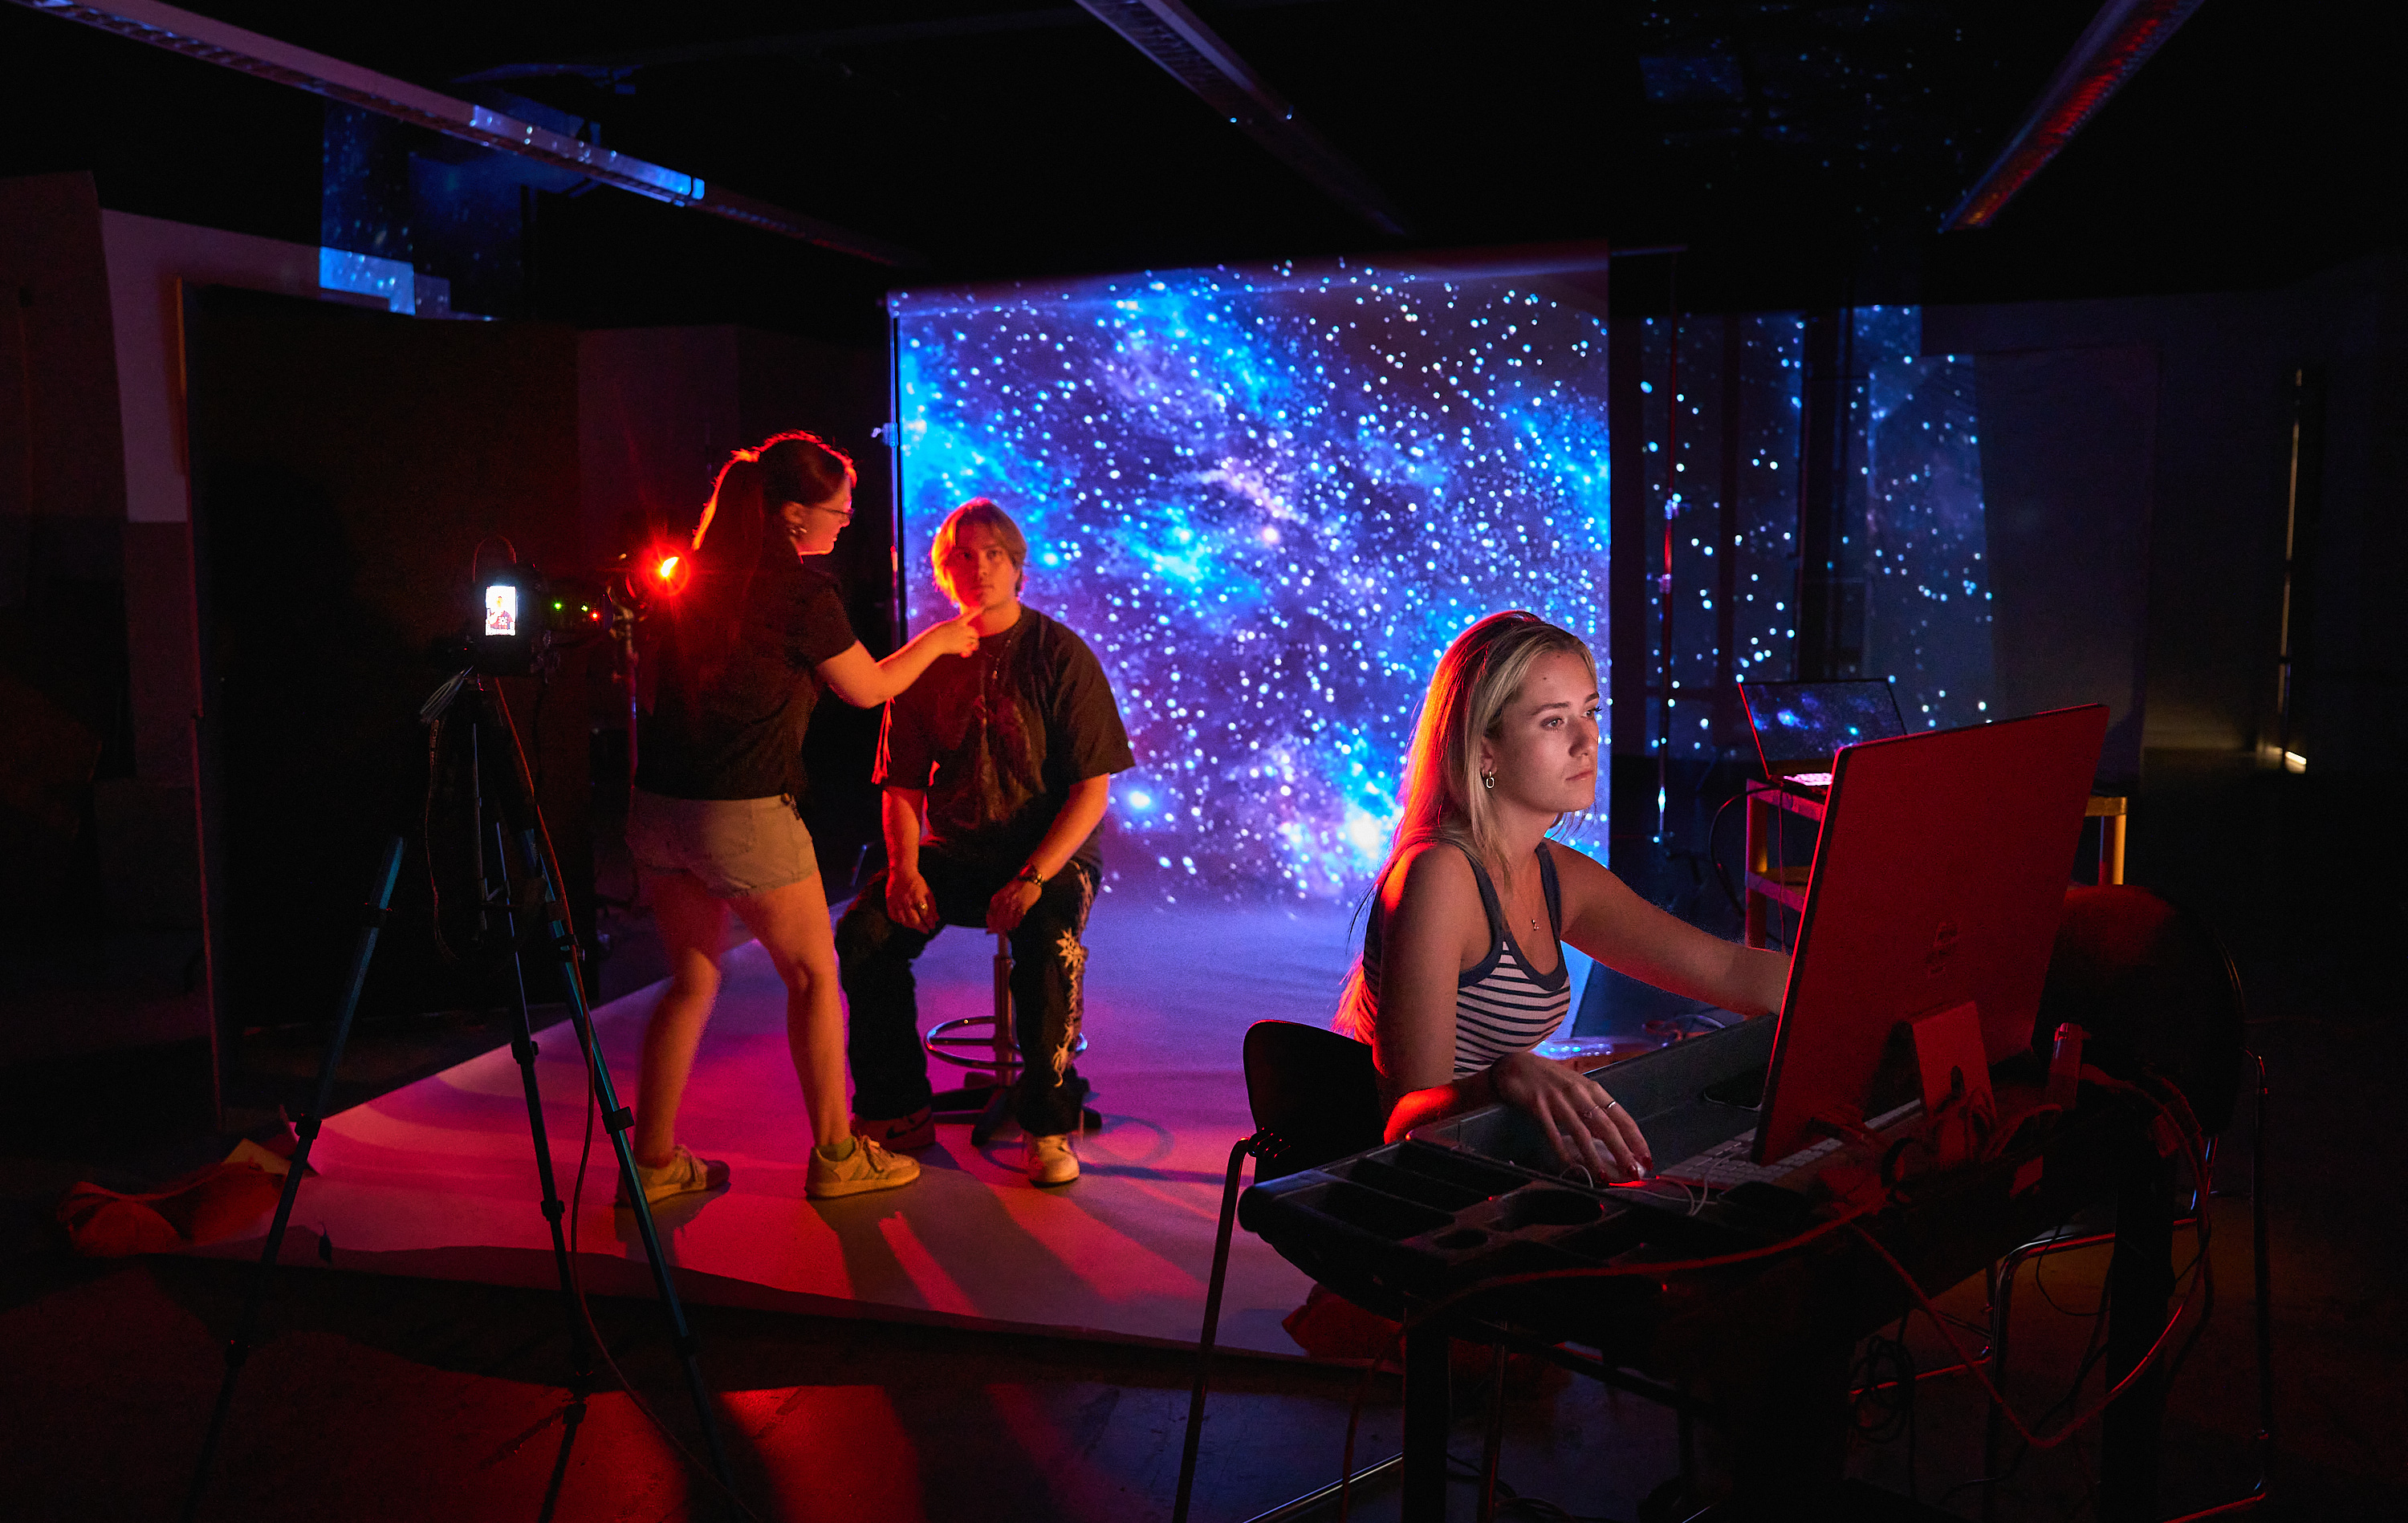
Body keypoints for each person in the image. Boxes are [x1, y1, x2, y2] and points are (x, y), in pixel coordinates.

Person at [622, 432, 979, 1205]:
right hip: (742, 814)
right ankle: (839, 1155)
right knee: (816, 975)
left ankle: (649, 1164)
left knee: (689, 979)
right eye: (839, 510)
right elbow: (868, 689)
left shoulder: (693, 580)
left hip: (656, 813)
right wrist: (942, 642)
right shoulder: (799, 593)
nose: (848, 521)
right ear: (793, 515)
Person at [1337, 610, 1791, 1180]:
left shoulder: (1556, 873)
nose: (1588, 741)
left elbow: (1725, 968)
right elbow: (1405, 1122)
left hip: (1501, 1168)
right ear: (1484, 752)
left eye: (1591, 712)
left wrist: (1859, 986)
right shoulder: (1440, 876)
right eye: (1554, 722)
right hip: (1426, 1195)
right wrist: (1506, 1078)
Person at [836, 498, 1133, 1187]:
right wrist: (905, 870)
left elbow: (1091, 791)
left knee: (1047, 936)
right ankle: (896, 1108)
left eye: (993, 553)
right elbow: (902, 788)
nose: (979, 567)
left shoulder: (1060, 654)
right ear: (944, 571)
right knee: (864, 934)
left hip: (1049, 854)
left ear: (1017, 566)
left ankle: (1048, 1120)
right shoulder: (929, 659)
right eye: (963, 555)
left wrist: (1031, 878)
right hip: (959, 852)